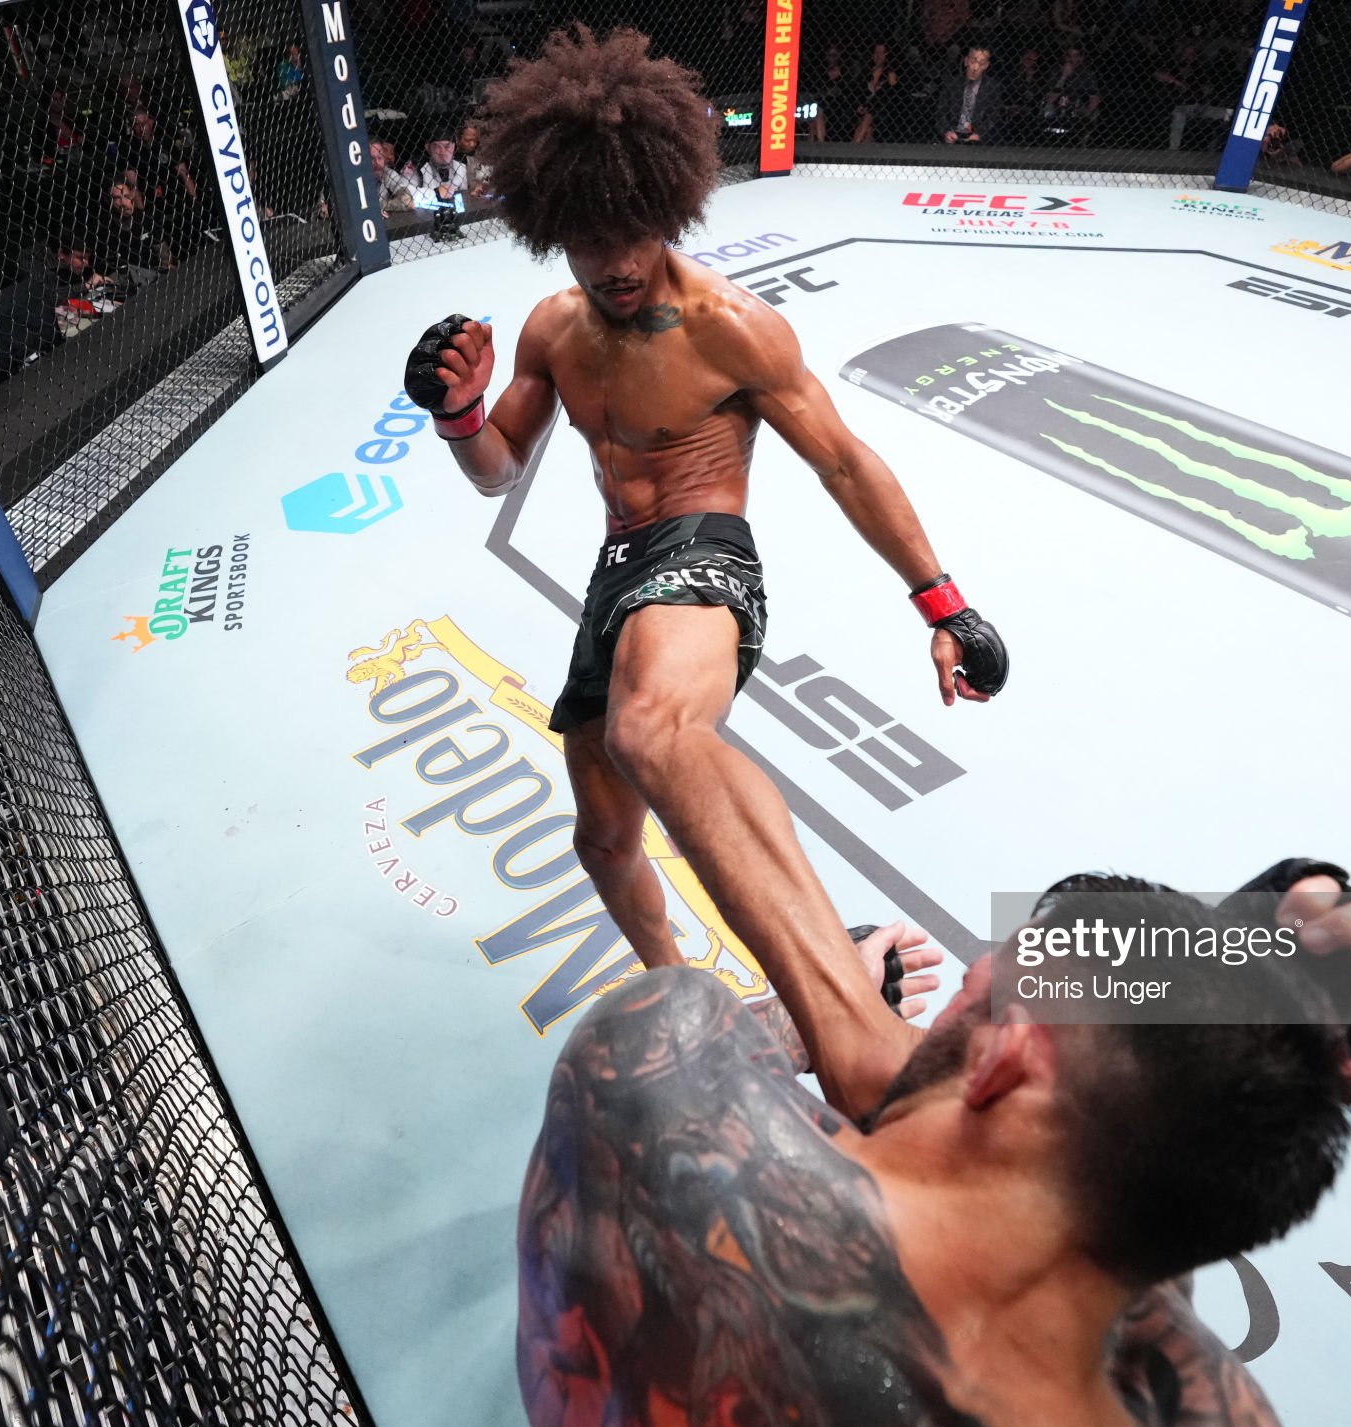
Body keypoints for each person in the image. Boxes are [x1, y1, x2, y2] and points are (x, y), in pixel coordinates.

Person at [402, 26, 1008, 1106]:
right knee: (603, 840)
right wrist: (458, 415)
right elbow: (498, 471)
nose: (617, 263)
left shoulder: (733, 329)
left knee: (653, 731)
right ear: (550, 230)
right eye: (589, 240)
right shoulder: (554, 330)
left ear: (669, 205)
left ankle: (845, 1017)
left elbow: (842, 461)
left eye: (633, 231)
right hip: (615, 573)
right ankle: (700, 1012)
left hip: (703, 553)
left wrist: (943, 603)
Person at [518, 862, 1351, 1427]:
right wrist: (1243, 1072)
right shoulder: (1220, 1409)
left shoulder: (659, 1076)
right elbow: (1148, 1234)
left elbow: (733, 1044)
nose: (950, 1003)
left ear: (1005, 1054)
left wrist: (1221, 978)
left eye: (977, 993)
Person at [938, 46, 1004, 143]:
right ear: (966, 61)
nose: (975, 68)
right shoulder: (952, 83)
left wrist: (980, 134)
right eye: (973, 61)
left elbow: (994, 116)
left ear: (986, 66)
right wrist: (947, 131)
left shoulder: (992, 87)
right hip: (953, 132)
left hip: (978, 136)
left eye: (981, 64)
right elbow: (941, 112)